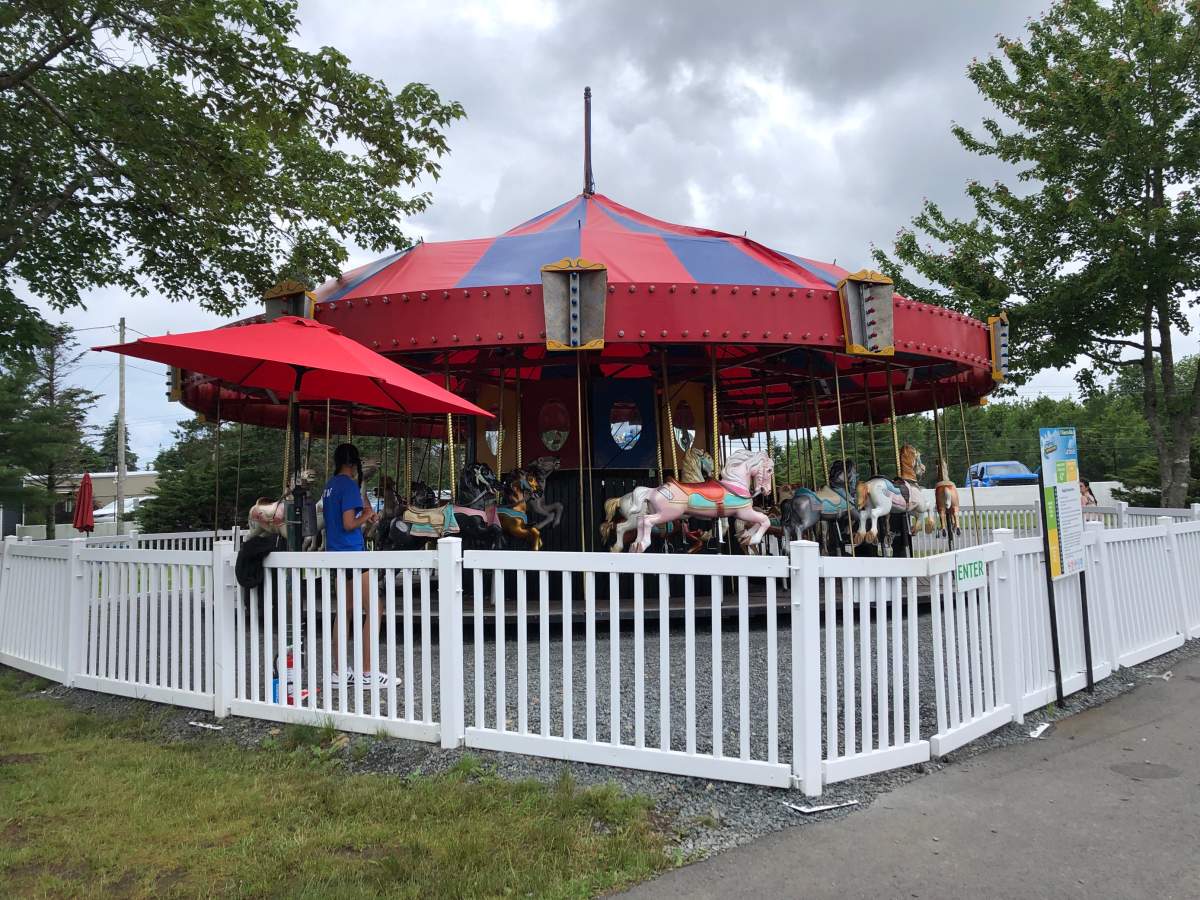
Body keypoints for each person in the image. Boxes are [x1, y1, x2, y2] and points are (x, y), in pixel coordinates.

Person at [323, 442, 389, 688]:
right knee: (375, 607)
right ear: (353, 464)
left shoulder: (329, 487)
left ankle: (340, 671)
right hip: (352, 553)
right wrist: (366, 516)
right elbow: (350, 523)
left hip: (336, 553)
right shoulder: (348, 486)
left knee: (345, 611)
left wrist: (364, 517)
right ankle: (368, 670)